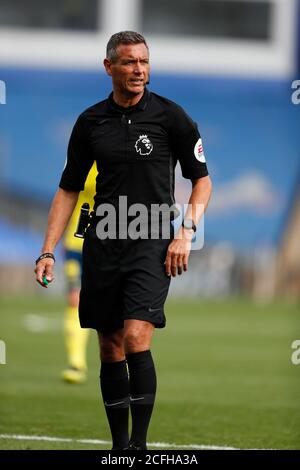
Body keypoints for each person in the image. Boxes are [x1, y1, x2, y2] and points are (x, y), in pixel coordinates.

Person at [35, 31, 212, 450]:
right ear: (109, 66)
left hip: (152, 243)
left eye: (144, 62)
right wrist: (46, 250)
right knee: (110, 345)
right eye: (130, 62)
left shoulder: (172, 117)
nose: (139, 71)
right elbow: (67, 189)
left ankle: (139, 445)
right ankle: (119, 448)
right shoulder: (90, 122)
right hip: (102, 244)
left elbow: (201, 182)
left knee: (135, 337)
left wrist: (185, 233)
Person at [61, 162, 97, 384]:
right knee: (75, 299)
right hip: (77, 242)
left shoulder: (122, 151)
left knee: (119, 303)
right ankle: (76, 363)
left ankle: (126, 365)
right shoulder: (80, 153)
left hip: (112, 243)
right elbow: (66, 194)